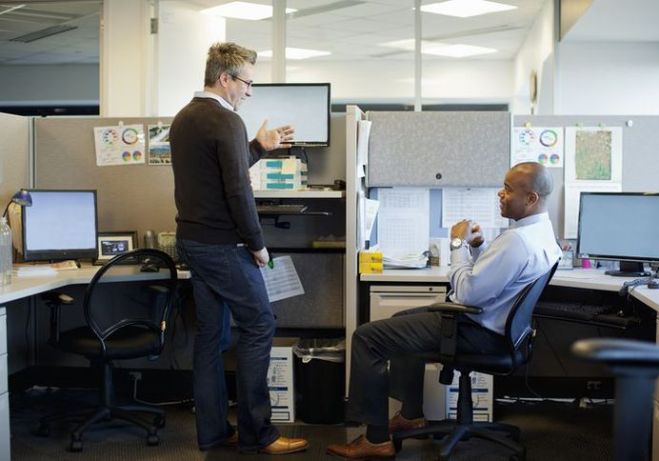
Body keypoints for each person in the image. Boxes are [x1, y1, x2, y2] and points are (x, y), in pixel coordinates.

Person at [327, 161, 561, 459]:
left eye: (508, 189)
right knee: (400, 323)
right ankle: (410, 415)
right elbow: (497, 278)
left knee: (367, 337)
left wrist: (456, 243)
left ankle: (375, 440)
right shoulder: (541, 234)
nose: (500, 195)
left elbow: (467, 292)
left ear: (531, 199)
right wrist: (476, 247)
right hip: (500, 331)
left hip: (476, 330)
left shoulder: (516, 240)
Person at [171, 42, 308, 455]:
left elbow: (220, 172)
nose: (249, 92)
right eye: (247, 82)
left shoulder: (185, 118)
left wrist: (257, 147)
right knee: (260, 325)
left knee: (212, 336)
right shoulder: (226, 121)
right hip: (223, 244)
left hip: (193, 240)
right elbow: (236, 191)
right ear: (225, 78)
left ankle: (213, 433)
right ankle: (258, 434)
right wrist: (258, 244)